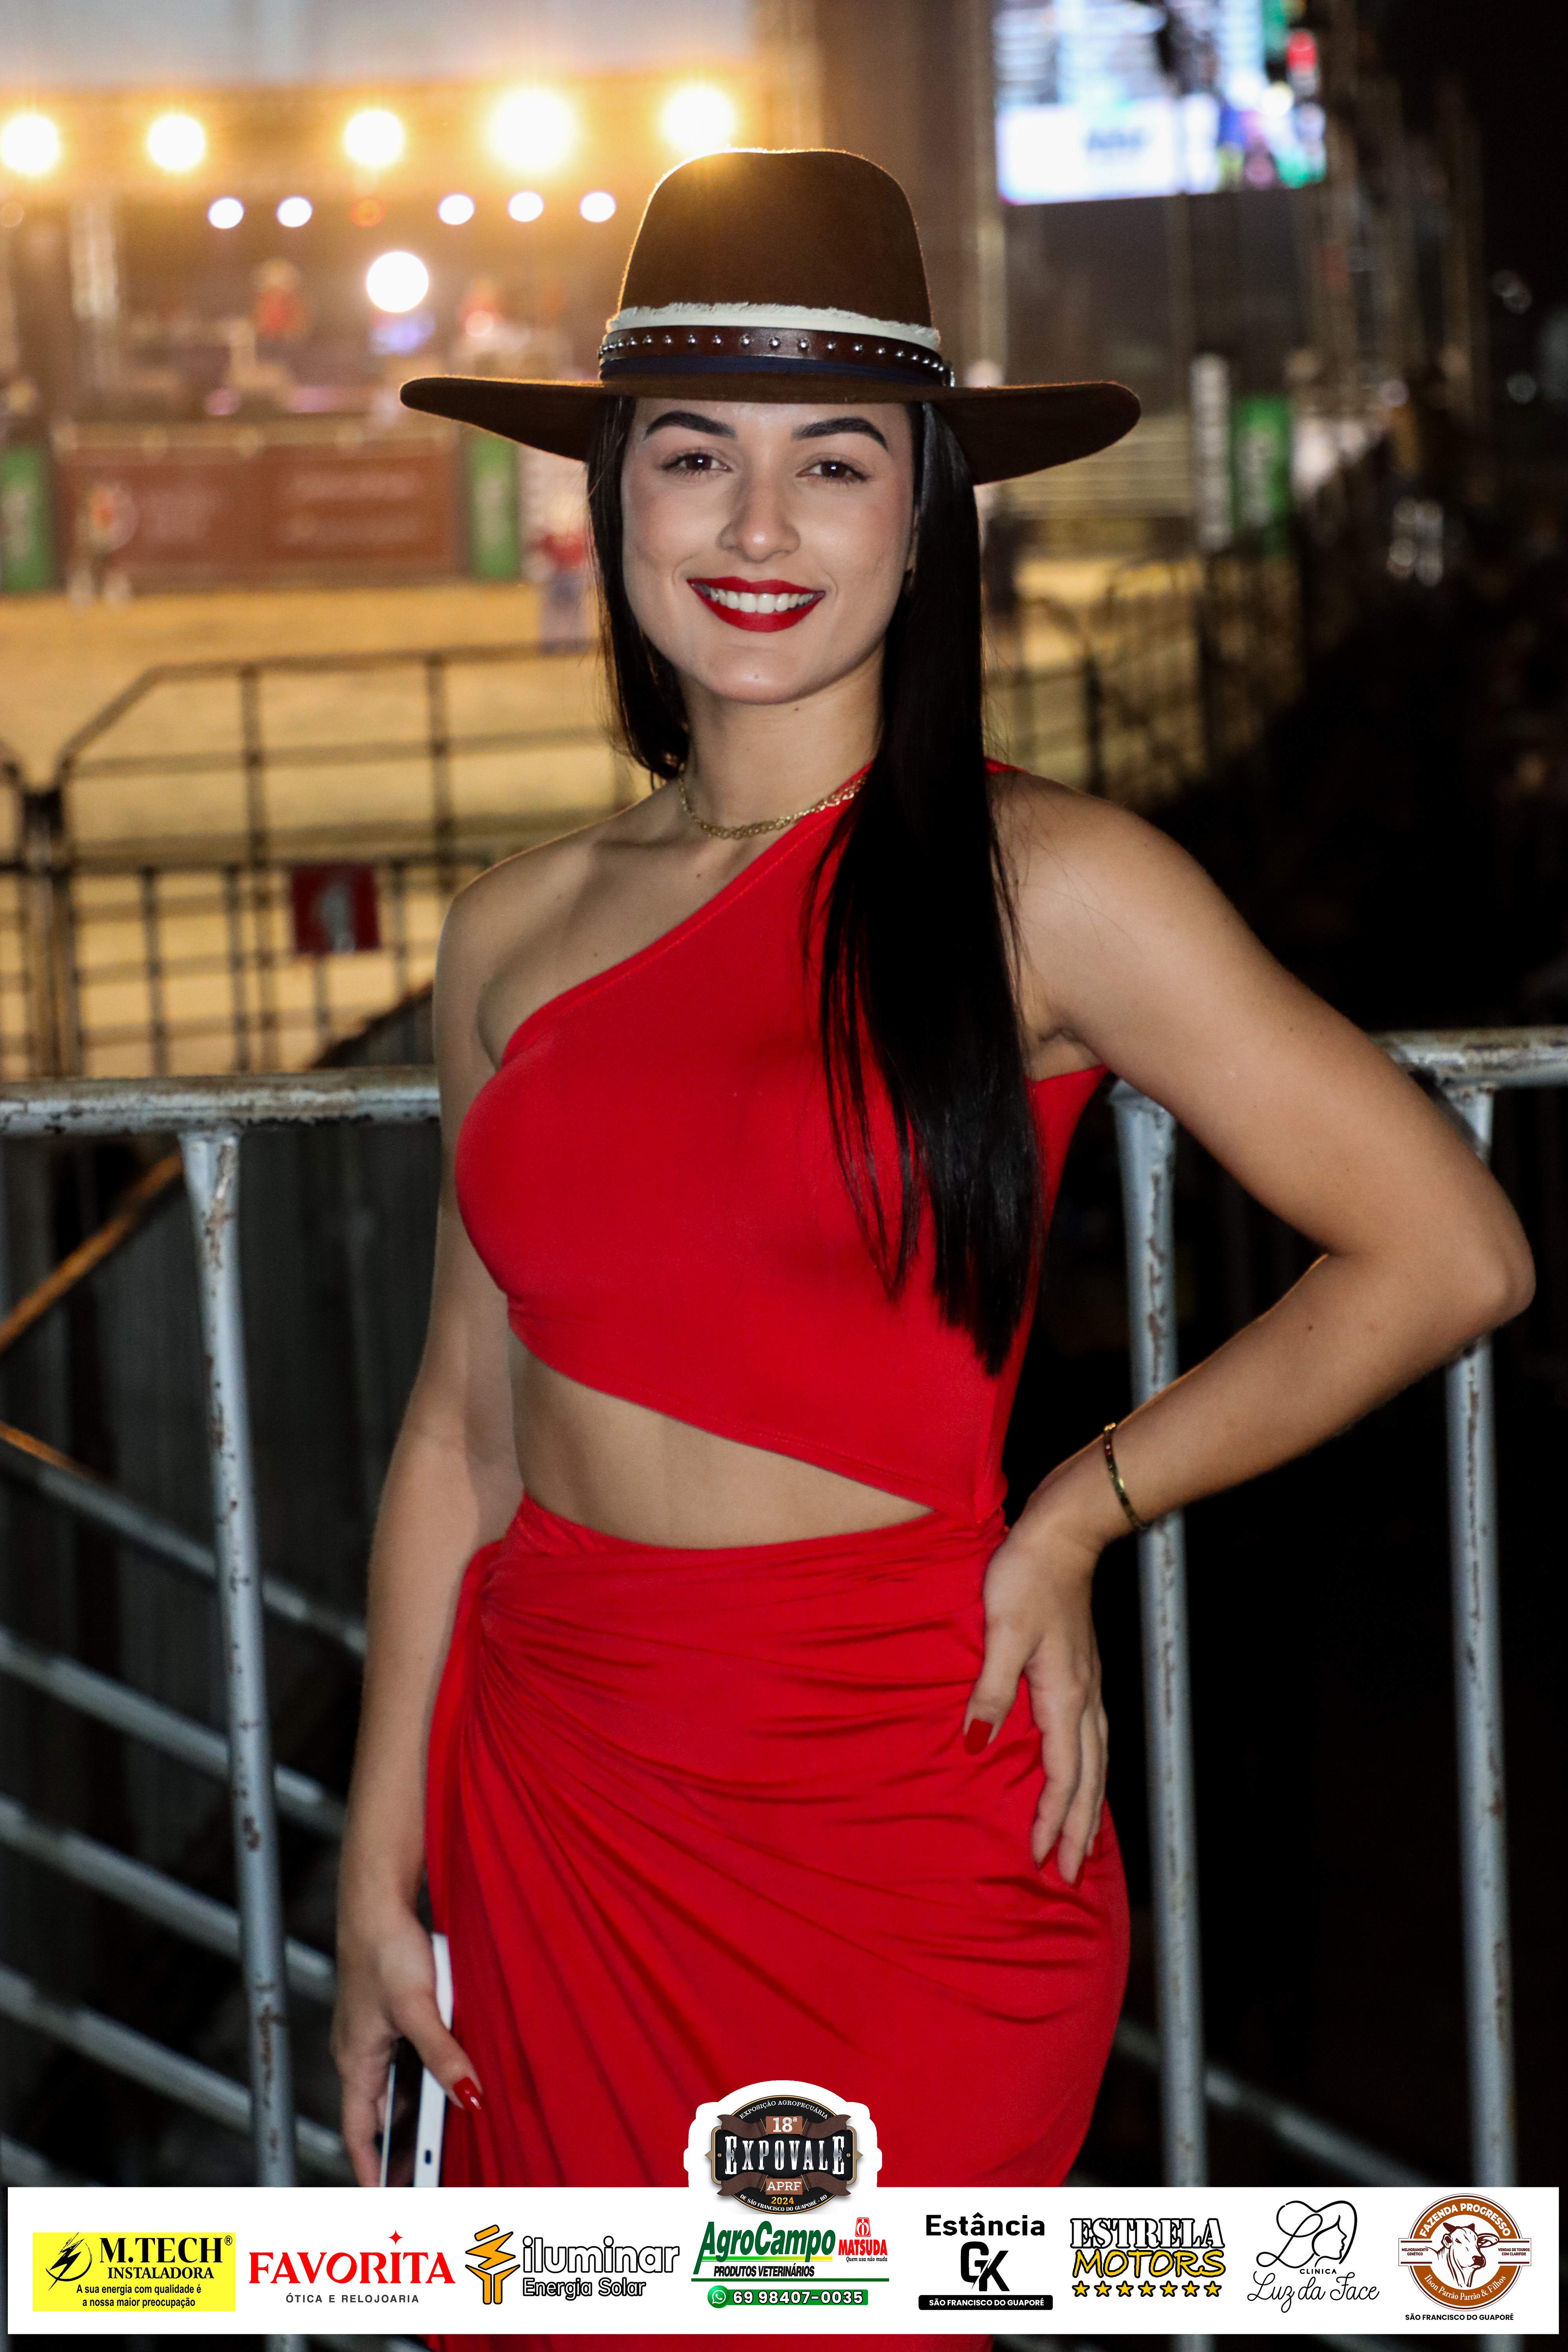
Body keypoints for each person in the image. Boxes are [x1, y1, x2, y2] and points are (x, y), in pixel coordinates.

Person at [331, 147, 1532, 2338]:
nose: (756, 527)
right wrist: (369, 1866)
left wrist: (1081, 1509)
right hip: (557, 1798)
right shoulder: (510, 932)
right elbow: (455, 1435)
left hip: (892, 1817)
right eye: (692, 456)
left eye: (833, 463)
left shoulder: (1048, 885)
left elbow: (1445, 1247)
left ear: (926, 514)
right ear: (612, 497)